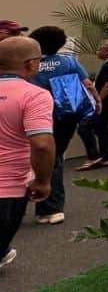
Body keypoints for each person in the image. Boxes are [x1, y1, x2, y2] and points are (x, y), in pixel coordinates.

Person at [27, 26, 96, 224]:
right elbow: (88, 85)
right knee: (55, 157)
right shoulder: (69, 62)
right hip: (65, 116)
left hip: (36, 116)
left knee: (31, 157)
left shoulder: (31, 64)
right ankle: (51, 208)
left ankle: (28, 204)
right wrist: (97, 101)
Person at [0, 37, 55, 271]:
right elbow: (42, 144)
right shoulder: (34, 95)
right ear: (31, 64)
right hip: (8, 188)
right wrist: (43, 181)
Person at [76, 39, 108, 170]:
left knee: (85, 128)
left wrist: (99, 100)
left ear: (107, 51)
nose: (97, 51)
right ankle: (103, 157)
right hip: (104, 102)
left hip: (105, 103)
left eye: (100, 49)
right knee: (100, 129)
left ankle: (96, 156)